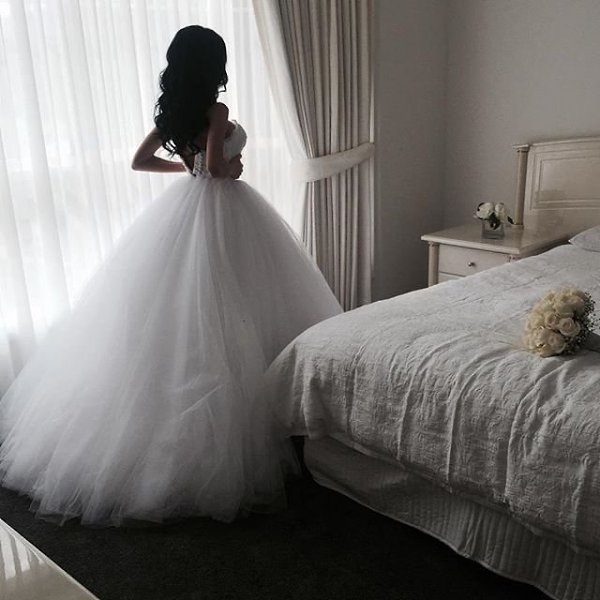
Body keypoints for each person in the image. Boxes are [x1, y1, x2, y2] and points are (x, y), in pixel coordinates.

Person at [0, 25, 341, 526]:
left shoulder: (173, 114)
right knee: (237, 308)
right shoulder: (216, 111)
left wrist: (187, 170)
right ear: (213, 65)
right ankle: (273, 420)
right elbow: (219, 169)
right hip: (225, 211)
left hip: (189, 208)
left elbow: (141, 161)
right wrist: (229, 168)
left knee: (185, 318)